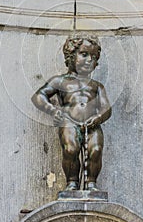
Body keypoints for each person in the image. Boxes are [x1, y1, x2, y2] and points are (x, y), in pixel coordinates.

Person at [31, 35, 112, 191]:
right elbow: (38, 96)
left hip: (93, 123)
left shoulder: (96, 86)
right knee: (71, 149)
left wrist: (97, 118)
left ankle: (91, 183)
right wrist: (53, 110)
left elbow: (106, 108)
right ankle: (72, 182)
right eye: (84, 54)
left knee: (95, 150)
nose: (89, 59)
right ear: (71, 55)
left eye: (94, 57)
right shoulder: (60, 81)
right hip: (69, 121)